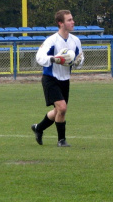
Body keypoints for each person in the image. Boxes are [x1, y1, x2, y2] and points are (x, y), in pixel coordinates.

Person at [31, 10, 84, 147]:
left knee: (58, 111)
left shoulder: (75, 41)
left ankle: (38, 128)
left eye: (72, 19)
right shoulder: (51, 41)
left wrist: (79, 62)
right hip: (50, 78)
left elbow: (80, 58)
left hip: (65, 79)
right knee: (62, 107)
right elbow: (39, 57)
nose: (73, 22)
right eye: (69, 20)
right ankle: (61, 140)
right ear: (61, 23)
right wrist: (54, 59)